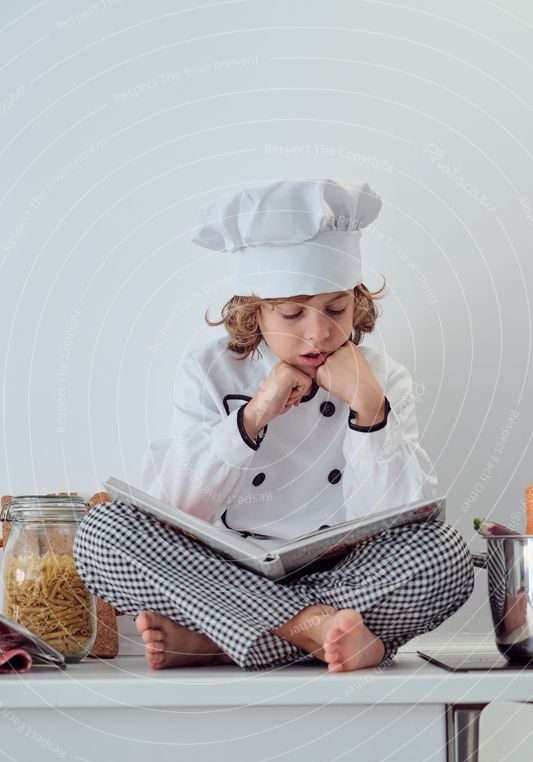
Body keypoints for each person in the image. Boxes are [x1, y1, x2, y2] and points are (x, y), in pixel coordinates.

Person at [73, 178, 475, 673]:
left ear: (357, 303)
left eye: (335, 308)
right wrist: (252, 417)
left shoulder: (384, 377)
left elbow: (399, 517)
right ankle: (310, 628)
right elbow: (175, 506)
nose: (320, 332)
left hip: (344, 575)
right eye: (292, 312)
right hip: (219, 570)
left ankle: (219, 640)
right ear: (253, 311)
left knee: (444, 556)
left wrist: (369, 406)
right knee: (103, 532)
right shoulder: (207, 368)